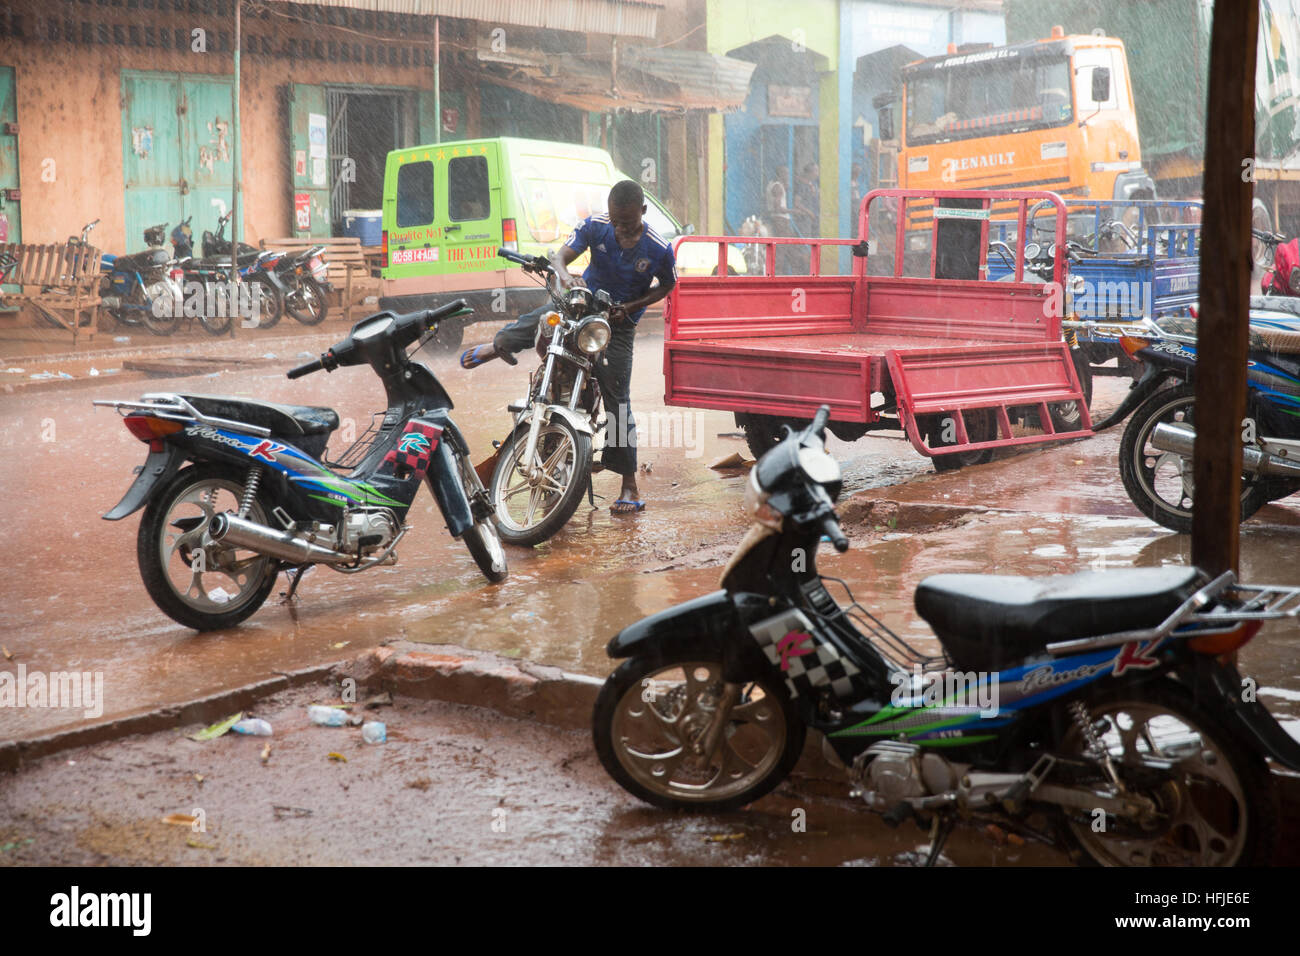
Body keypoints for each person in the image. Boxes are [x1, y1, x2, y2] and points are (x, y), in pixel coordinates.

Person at [460, 180, 676, 514]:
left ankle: (629, 485)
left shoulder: (658, 248)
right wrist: (566, 276)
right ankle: (498, 346)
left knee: (618, 400)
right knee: (542, 317)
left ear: (643, 213)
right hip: (581, 303)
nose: (621, 229)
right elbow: (560, 256)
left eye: (628, 224)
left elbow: (666, 286)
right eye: (616, 222)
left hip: (616, 325)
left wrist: (630, 307)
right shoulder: (596, 226)